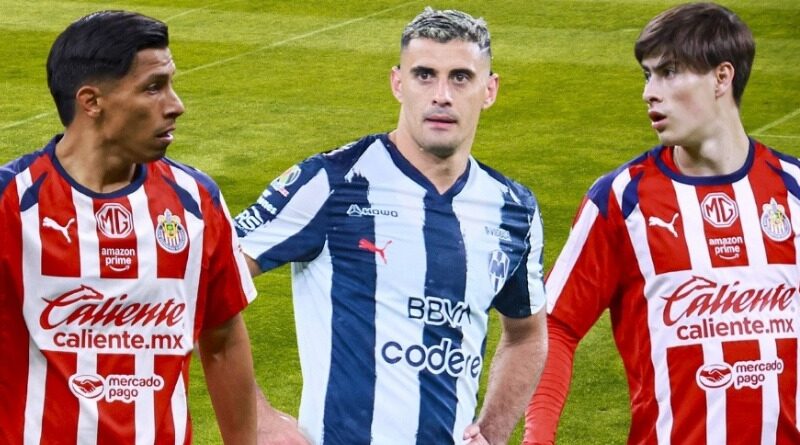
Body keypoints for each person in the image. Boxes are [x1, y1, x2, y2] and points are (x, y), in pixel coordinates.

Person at [236, 7, 547, 445]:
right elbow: (207, 279)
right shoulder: (331, 182)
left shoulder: (513, 209)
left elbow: (526, 335)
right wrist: (260, 419)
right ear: (398, 83)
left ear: (489, 89)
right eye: (425, 75)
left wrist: (493, 432)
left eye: (461, 77)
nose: (442, 95)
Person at [525, 2, 800, 444]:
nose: (649, 93)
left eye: (669, 72)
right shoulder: (622, 199)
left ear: (722, 77)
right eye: (647, 75)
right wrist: (537, 438)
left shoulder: (793, 190)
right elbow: (556, 326)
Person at [0, 11, 258, 444]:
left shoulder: (195, 201)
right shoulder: (11, 202)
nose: (176, 105)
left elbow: (224, 339)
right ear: (91, 102)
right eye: (154, 87)